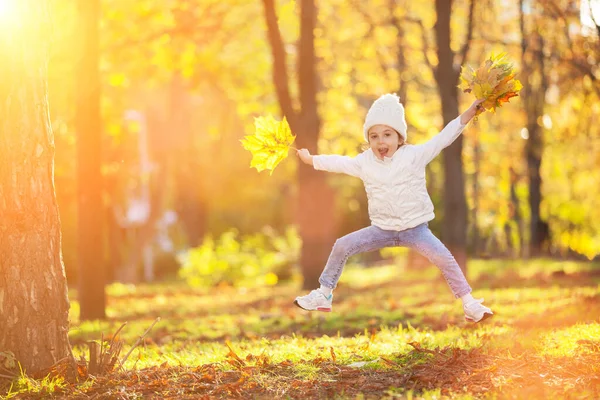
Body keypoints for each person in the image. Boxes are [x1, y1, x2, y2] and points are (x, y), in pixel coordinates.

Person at [294, 93, 493, 323]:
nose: (381, 142)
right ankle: (324, 294)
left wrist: (469, 113)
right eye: (374, 136)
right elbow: (338, 162)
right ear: (368, 140)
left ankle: (469, 304)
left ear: (400, 138)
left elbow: (444, 137)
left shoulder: (415, 156)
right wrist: (312, 160)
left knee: (444, 258)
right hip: (381, 229)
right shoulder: (364, 162)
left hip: (415, 230)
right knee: (342, 245)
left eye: (387, 135)